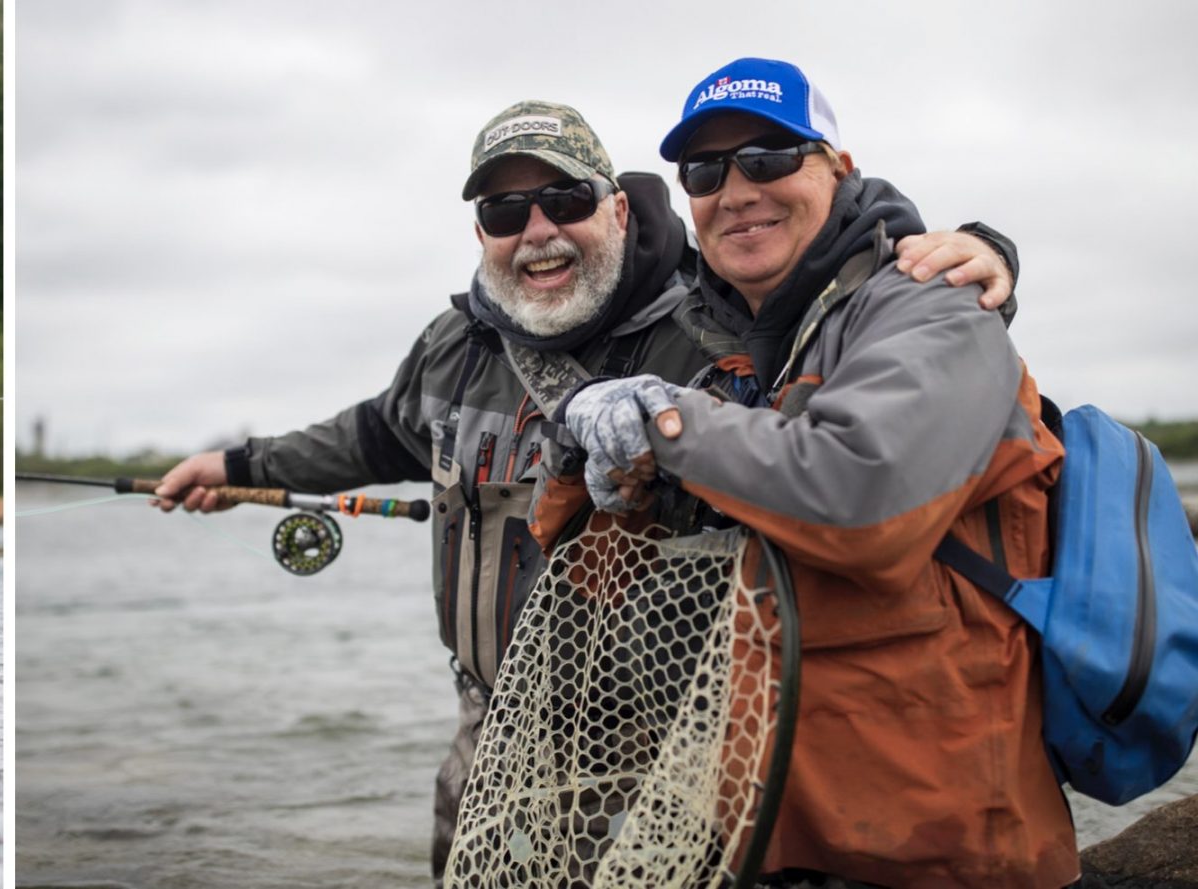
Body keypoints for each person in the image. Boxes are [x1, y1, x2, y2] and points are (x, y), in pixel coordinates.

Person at [149, 99, 1019, 879]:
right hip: (488, 734)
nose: (537, 231)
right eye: (503, 211)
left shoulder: (721, 320)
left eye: (564, 201)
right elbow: (375, 432)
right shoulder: (453, 344)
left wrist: (983, 251)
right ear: (481, 232)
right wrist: (236, 467)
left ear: (615, 205)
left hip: (673, 753)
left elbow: (858, 324)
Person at [558, 58, 1075, 887]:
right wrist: (581, 436)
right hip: (776, 827)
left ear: (838, 167)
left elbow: (859, 498)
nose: (736, 189)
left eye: (769, 157)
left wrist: (663, 417)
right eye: (705, 170)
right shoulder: (729, 342)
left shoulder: (934, 300)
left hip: (940, 848)